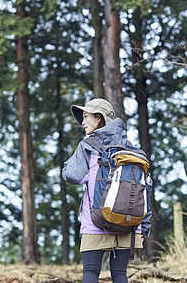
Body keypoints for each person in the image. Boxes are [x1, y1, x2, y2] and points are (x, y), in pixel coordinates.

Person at [62, 98, 150, 283]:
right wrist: (144, 225)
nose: (82, 122)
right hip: (128, 223)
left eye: (86, 117)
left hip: (96, 222)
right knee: (119, 274)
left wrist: (68, 161)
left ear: (99, 118)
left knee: (91, 273)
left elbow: (72, 176)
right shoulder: (133, 150)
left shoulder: (88, 146)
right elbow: (145, 188)